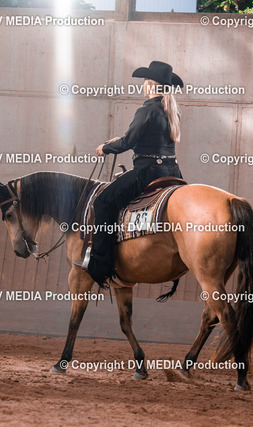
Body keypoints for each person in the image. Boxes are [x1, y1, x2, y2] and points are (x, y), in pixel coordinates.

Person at [74, 60, 184, 286]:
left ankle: (100, 264)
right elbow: (146, 139)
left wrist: (106, 147)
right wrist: (122, 140)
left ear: (151, 85)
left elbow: (128, 142)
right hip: (172, 171)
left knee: (103, 202)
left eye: (145, 81)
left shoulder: (147, 110)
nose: (143, 84)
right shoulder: (170, 111)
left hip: (148, 172)